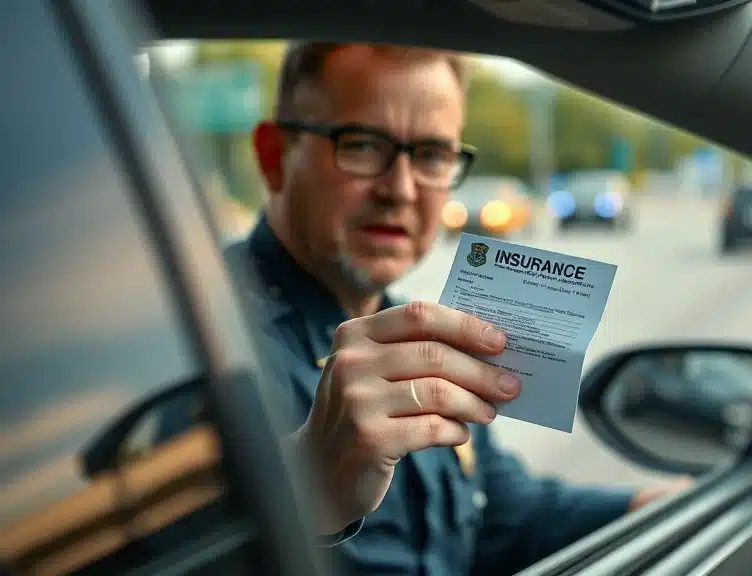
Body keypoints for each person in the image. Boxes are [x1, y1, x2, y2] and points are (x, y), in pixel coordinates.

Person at [219, 41, 693, 574]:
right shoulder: (198, 343)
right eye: (362, 145)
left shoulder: (416, 338)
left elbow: (503, 520)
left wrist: (647, 509)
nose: (399, 189)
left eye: (431, 156)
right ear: (273, 156)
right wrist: (305, 497)